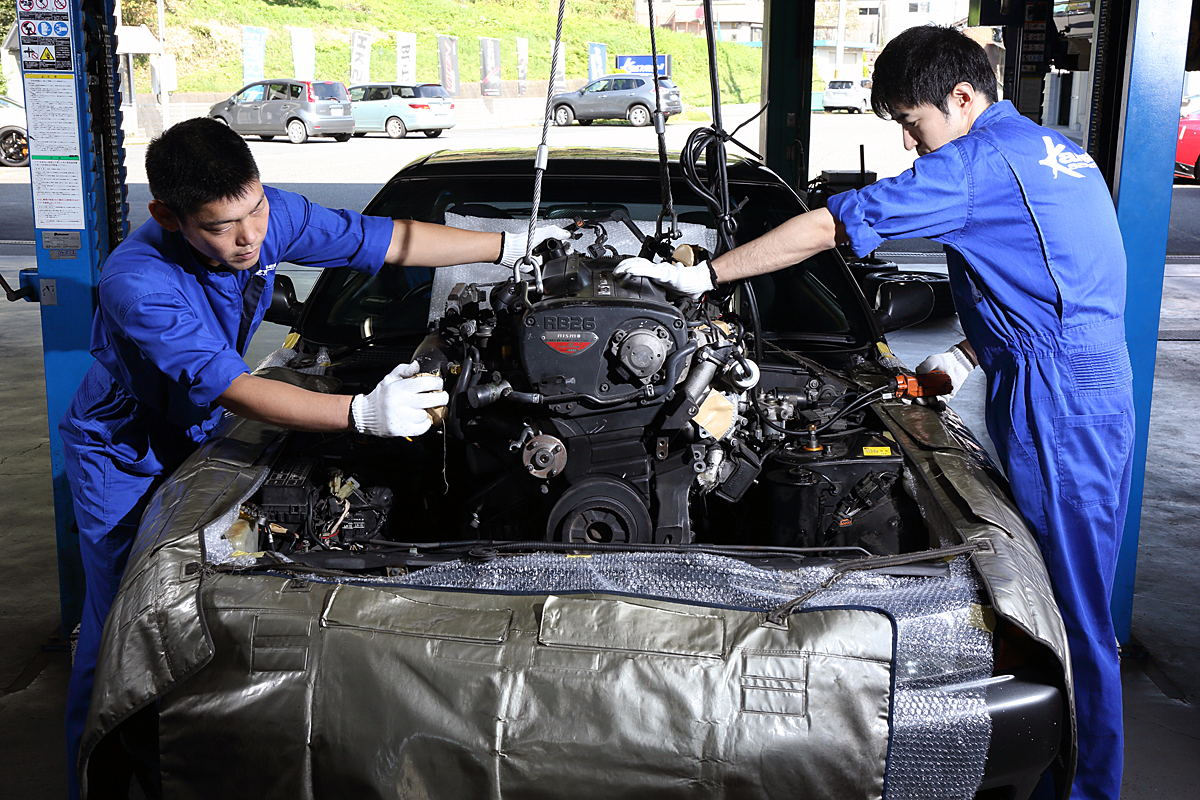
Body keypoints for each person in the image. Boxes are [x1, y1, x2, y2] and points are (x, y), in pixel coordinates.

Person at [617, 24, 1132, 800]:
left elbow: (831, 225)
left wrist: (705, 279)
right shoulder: (1051, 152)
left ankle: (1088, 790)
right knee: (1060, 597)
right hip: (1080, 379)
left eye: (911, 121)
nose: (907, 139)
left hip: (1058, 397)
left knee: (1074, 614)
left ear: (963, 98)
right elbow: (1049, 277)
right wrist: (967, 353)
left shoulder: (975, 163)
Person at [61, 117, 564, 798]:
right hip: (123, 452)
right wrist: (361, 414)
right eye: (220, 226)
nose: (249, 237)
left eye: (254, 210)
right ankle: (97, 777)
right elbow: (235, 387)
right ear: (168, 217)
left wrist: (513, 245)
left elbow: (386, 242)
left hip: (199, 420)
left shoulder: (270, 217)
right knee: (120, 622)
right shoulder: (136, 280)